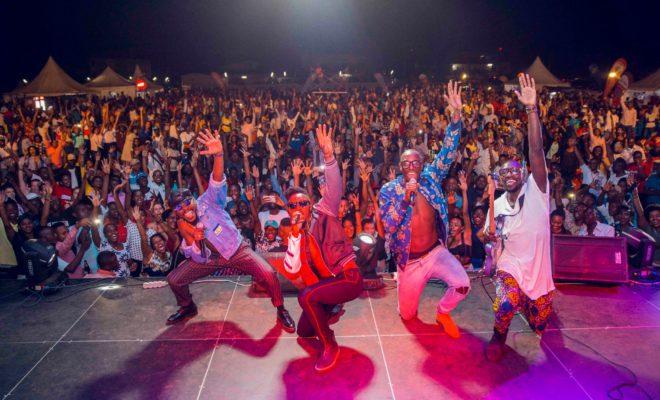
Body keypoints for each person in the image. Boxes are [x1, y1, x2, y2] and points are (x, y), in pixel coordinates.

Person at [165, 129, 295, 332]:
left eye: (187, 203)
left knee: (269, 274)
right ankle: (187, 306)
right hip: (209, 260)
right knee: (174, 279)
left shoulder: (209, 201)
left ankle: (281, 309)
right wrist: (195, 242)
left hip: (236, 251)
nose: (185, 209)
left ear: (193, 199)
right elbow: (195, 256)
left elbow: (217, 179)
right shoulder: (184, 225)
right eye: (179, 208)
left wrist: (218, 155)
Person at [379, 81, 470, 339]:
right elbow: (390, 226)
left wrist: (455, 116)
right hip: (410, 261)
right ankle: (402, 283)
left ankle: (443, 312)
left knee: (463, 284)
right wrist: (406, 196)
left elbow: (448, 150)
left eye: (415, 161)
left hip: (436, 253)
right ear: (399, 166)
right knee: (407, 316)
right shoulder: (389, 190)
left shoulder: (431, 177)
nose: (411, 165)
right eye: (405, 162)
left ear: (422, 164)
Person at [484, 74, 555, 361]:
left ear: (524, 172)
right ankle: (498, 337)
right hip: (510, 268)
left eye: (516, 169)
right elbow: (487, 236)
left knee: (540, 324)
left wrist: (531, 109)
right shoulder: (497, 204)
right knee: (505, 304)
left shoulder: (538, 188)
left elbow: (536, 149)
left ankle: (532, 309)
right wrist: (488, 239)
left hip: (538, 274)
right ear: (499, 180)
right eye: (505, 172)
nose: (511, 173)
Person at [282, 124, 363, 372]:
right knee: (304, 331)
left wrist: (329, 157)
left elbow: (335, 188)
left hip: (347, 278)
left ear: (311, 203)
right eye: (293, 206)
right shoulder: (296, 232)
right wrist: (294, 236)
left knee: (306, 296)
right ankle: (331, 305)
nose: (300, 209)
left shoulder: (323, 212)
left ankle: (330, 344)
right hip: (327, 284)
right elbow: (291, 268)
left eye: (303, 203)